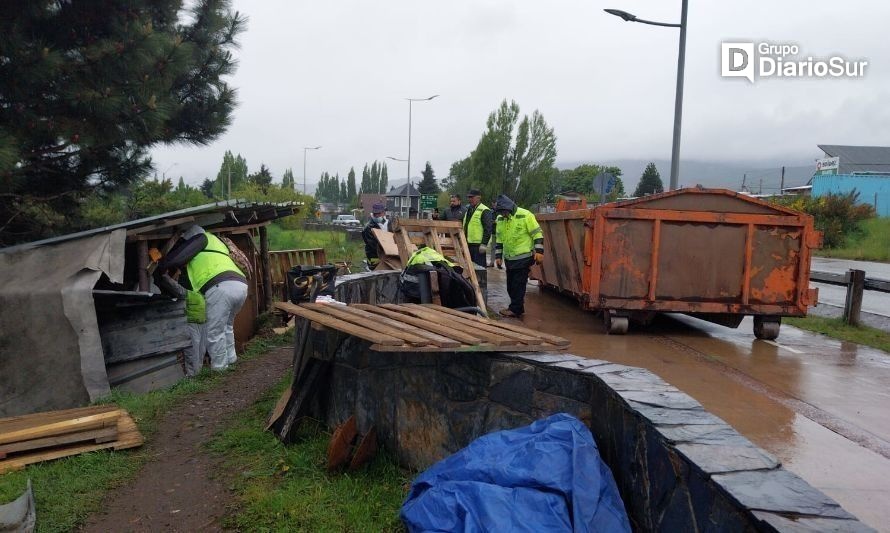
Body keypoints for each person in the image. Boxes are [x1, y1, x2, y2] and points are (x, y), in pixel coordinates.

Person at [157, 225, 248, 374]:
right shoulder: (217, 242)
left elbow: (176, 259)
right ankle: (231, 360)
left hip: (220, 286)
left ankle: (220, 369)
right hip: (240, 284)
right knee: (227, 326)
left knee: (214, 331)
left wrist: (162, 265)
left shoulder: (200, 239)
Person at [493, 194, 544, 318]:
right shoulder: (500, 219)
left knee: (518, 285)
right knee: (511, 286)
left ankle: (515, 309)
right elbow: (499, 239)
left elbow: (537, 234)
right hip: (510, 258)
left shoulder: (526, 215)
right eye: (500, 212)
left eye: (503, 212)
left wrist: (539, 252)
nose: (502, 215)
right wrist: (498, 256)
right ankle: (518, 308)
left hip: (523, 257)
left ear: (508, 208)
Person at [462, 189, 493, 268]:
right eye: (469, 197)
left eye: (472, 197)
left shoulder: (485, 210)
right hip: (468, 244)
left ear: (478, 198)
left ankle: (480, 281)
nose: (470, 199)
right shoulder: (469, 210)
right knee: (470, 268)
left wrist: (484, 244)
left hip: (478, 246)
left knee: (479, 269)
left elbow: (488, 229)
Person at [362, 202, 390, 268]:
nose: (377, 215)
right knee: (375, 272)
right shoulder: (368, 228)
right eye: (375, 214)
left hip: (387, 255)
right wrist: (388, 251)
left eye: (379, 213)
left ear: (383, 213)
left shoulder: (387, 224)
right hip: (374, 256)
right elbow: (374, 245)